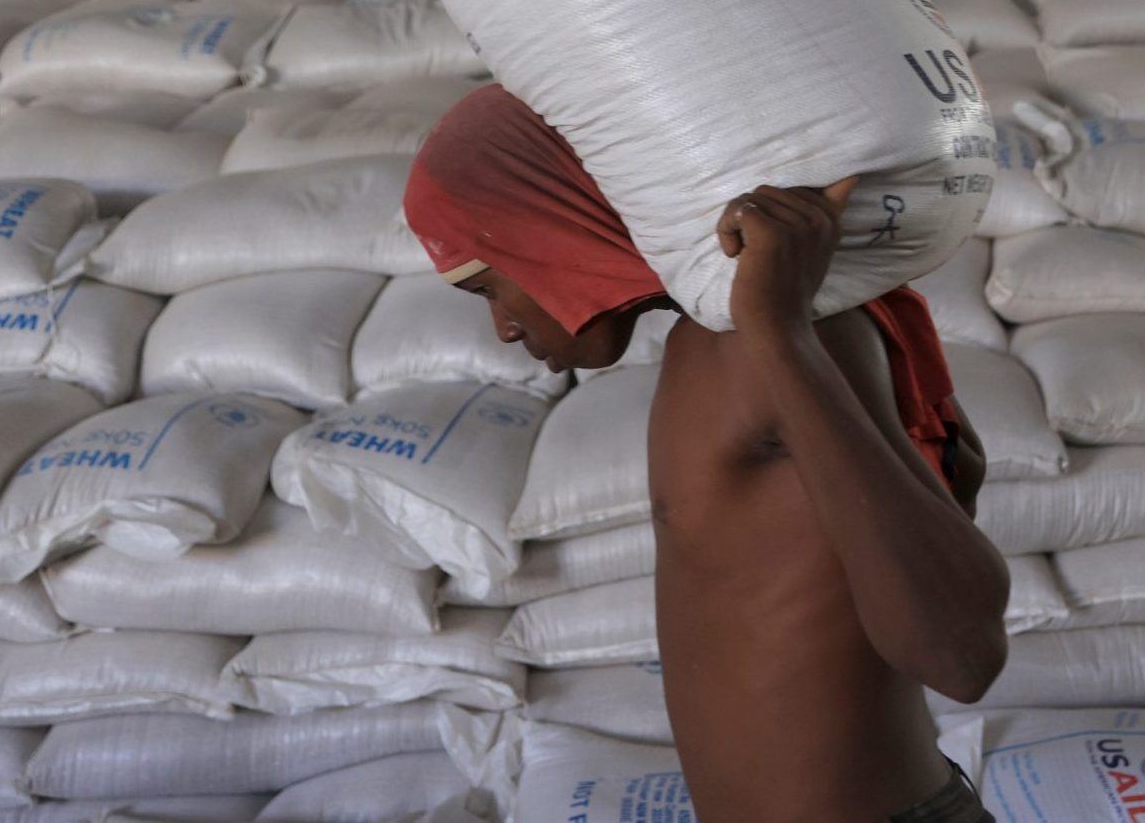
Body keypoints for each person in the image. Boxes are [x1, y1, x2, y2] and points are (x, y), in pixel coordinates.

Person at [405, 85, 1011, 822]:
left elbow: (960, 654)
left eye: (490, 286)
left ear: (549, 223)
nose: (503, 326)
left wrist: (779, 331)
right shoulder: (720, 339)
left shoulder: (779, 338)